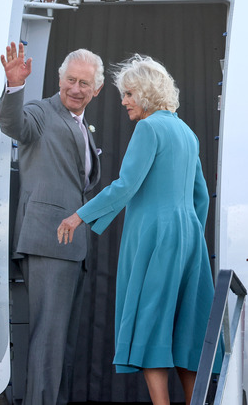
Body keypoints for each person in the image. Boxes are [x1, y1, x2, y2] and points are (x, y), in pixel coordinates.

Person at [57, 54, 220, 405]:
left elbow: (126, 185)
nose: (124, 101)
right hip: (188, 237)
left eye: (130, 93)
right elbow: (201, 196)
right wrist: (188, 233)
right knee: (187, 327)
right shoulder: (186, 132)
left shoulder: (148, 128)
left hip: (153, 238)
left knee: (150, 322)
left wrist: (79, 216)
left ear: (146, 93)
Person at [0, 42, 104, 405]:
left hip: (72, 245)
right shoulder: (41, 111)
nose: (76, 88)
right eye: (70, 80)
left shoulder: (82, 124)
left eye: (84, 83)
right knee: (49, 337)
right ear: (60, 80)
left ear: (97, 89)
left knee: (63, 341)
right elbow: (14, 124)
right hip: (47, 239)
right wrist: (14, 87)